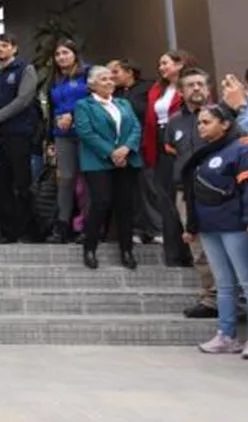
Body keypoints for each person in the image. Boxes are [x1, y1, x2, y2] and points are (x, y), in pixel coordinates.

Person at [181, 104, 248, 360]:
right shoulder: (205, 153)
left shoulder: (243, 149)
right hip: (210, 226)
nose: (201, 127)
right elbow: (193, 193)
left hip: (236, 225)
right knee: (224, 284)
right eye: (199, 123)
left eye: (206, 122)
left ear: (225, 124)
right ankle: (227, 335)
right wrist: (192, 226)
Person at [73, 66, 142, 270]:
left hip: (126, 160)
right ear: (92, 84)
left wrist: (126, 148)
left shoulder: (123, 103)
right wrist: (112, 152)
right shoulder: (83, 105)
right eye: (103, 79)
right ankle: (90, 247)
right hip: (98, 161)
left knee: (125, 205)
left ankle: (127, 250)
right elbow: (86, 132)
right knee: (101, 202)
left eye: (111, 78)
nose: (109, 82)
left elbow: (136, 128)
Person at [163, 68, 216, 318]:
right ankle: (210, 299)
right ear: (181, 92)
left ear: (208, 89)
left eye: (200, 84)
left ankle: (232, 298)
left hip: (219, 192)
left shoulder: (224, 116)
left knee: (224, 247)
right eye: (190, 85)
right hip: (186, 193)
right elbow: (171, 149)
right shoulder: (174, 122)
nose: (196, 88)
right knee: (198, 249)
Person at [0, 33, 41, 244]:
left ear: (14, 48)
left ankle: (28, 231)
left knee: (21, 184)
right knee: (1, 185)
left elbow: (23, 100)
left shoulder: (25, 69)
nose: (0, 49)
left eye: (4, 45)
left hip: (19, 134)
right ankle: (8, 233)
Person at [141, 50, 195, 260]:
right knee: (165, 199)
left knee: (183, 197)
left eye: (165, 63)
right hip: (160, 142)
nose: (161, 68)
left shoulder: (191, 85)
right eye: (160, 64)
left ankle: (190, 250)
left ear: (180, 64)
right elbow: (150, 119)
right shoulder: (158, 88)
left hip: (182, 141)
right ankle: (173, 253)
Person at [48, 39, 89, 243]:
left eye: (65, 53)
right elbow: (50, 109)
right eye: (58, 54)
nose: (61, 57)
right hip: (62, 135)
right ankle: (62, 225)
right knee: (65, 179)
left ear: (75, 54)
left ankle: (87, 225)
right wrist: (50, 139)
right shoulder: (55, 79)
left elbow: (95, 98)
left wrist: (73, 114)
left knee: (87, 179)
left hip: (86, 133)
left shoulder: (87, 73)